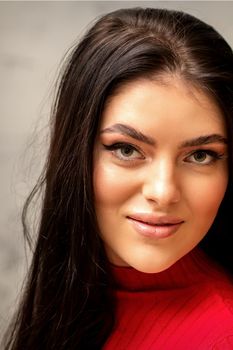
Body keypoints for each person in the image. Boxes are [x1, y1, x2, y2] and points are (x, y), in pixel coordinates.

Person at [3, 6, 233, 350]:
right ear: (75, 152)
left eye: (200, 155)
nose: (163, 191)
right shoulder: (71, 296)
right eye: (127, 149)